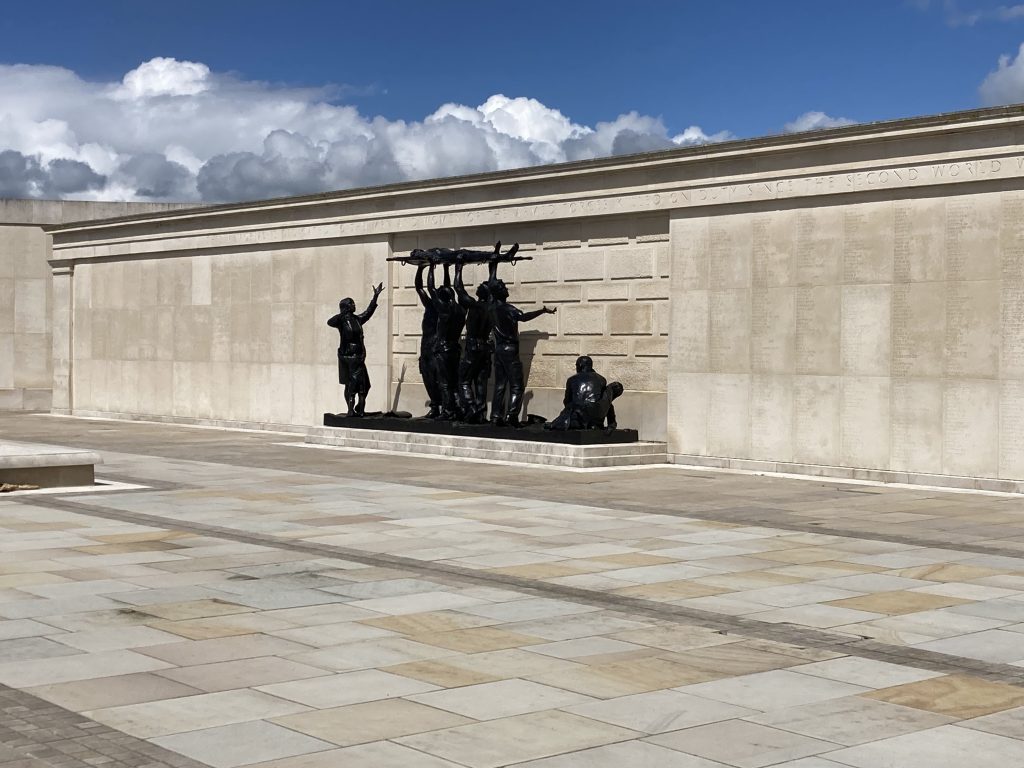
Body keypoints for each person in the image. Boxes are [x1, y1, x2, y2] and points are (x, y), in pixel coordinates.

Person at [488, 280, 556, 427]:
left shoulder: (491, 309)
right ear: (498, 292)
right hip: (509, 350)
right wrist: (542, 311)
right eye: (504, 288)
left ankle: (495, 416)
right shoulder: (508, 309)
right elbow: (523, 317)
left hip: (499, 350)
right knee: (517, 385)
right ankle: (511, 416)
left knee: (500, 385)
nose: (507, 289)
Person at [327, 282, 383, 417]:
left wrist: (375, 297)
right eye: (351, 303)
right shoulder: (341, 320)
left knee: (366, 385)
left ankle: (358, 407)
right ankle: (350, 410)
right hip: (347, 357)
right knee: (349, 385)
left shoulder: (357, 319)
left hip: (358, 357)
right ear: (346, 307)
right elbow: (329, 322)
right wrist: (342, 314)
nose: (354, 305)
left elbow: (368, 313)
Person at [454, 258, 493, 423]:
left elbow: (458, 288)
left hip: (473, 346)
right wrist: (493, 263)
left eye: (481, 286)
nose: (478, 286)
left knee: (463, 380)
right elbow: (492, 282)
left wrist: (458, 268)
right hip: (485, 348)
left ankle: (472, 409)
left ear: (483, 293)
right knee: (480, 382)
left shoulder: (475, 306)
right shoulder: (491, 308)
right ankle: (482, 413)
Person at [427, 262, 466, 420]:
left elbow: (431, 288)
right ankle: (458, 409)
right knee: (454, 381)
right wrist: (450, 268)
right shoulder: (461, 310)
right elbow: (452, 288)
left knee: (444, 382)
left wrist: (431, 267)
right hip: (455, 348)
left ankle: (448, 411)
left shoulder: (444, 310)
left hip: (443, 350)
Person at [546, 355, 624, 430]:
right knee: (607, 401)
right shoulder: (601, 379)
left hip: (577, 418)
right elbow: (605, 403)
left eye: (576, 365)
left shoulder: (571, 379)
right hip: (595, 419)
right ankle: (611, 424)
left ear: (580, 365)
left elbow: (567, 401)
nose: (576, 368)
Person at [414, 262, 443, 418]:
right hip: (426, 348)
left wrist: (431, 267)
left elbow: (427, 288)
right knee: (428, 378)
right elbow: (419, 288)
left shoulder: (443, 309)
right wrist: (420, 268)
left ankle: (442, 407)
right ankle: (435, 407)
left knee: (437, 379)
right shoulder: (431, 307)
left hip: (435, 348)